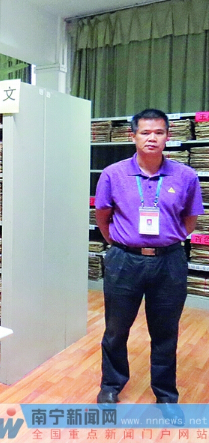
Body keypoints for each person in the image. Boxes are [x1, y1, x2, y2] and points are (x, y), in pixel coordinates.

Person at [94, 109, 203, 406]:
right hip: (124, 260)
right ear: (133, 136)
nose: (151, 138)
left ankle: (165, 394)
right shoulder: (113, 174)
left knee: (165, 331)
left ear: (167, 136)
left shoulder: (185, 176)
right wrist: (118, 243)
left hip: (169, 262)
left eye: (158, 132)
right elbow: (102, 215)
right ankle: (111, 385)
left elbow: (190, 219)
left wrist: (167, 238)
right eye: (145, 132)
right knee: (116, 329)